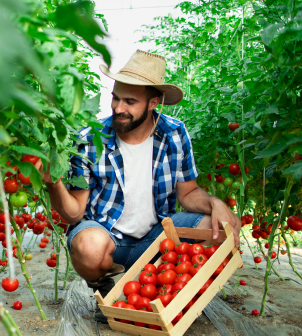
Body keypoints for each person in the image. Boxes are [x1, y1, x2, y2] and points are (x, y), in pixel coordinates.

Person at [35, 49, 241, 307]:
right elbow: (75, 213)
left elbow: (188, 193)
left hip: (158, 240)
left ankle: (165, 288)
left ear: (153, 103)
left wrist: (215, 203)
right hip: (109, 239)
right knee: (89, 247)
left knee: (221, 229)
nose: (118, 108)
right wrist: (53, 183)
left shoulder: (174, 134)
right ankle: (107, 290)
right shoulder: (89, 138)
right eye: (116, 98)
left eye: (130, 102)